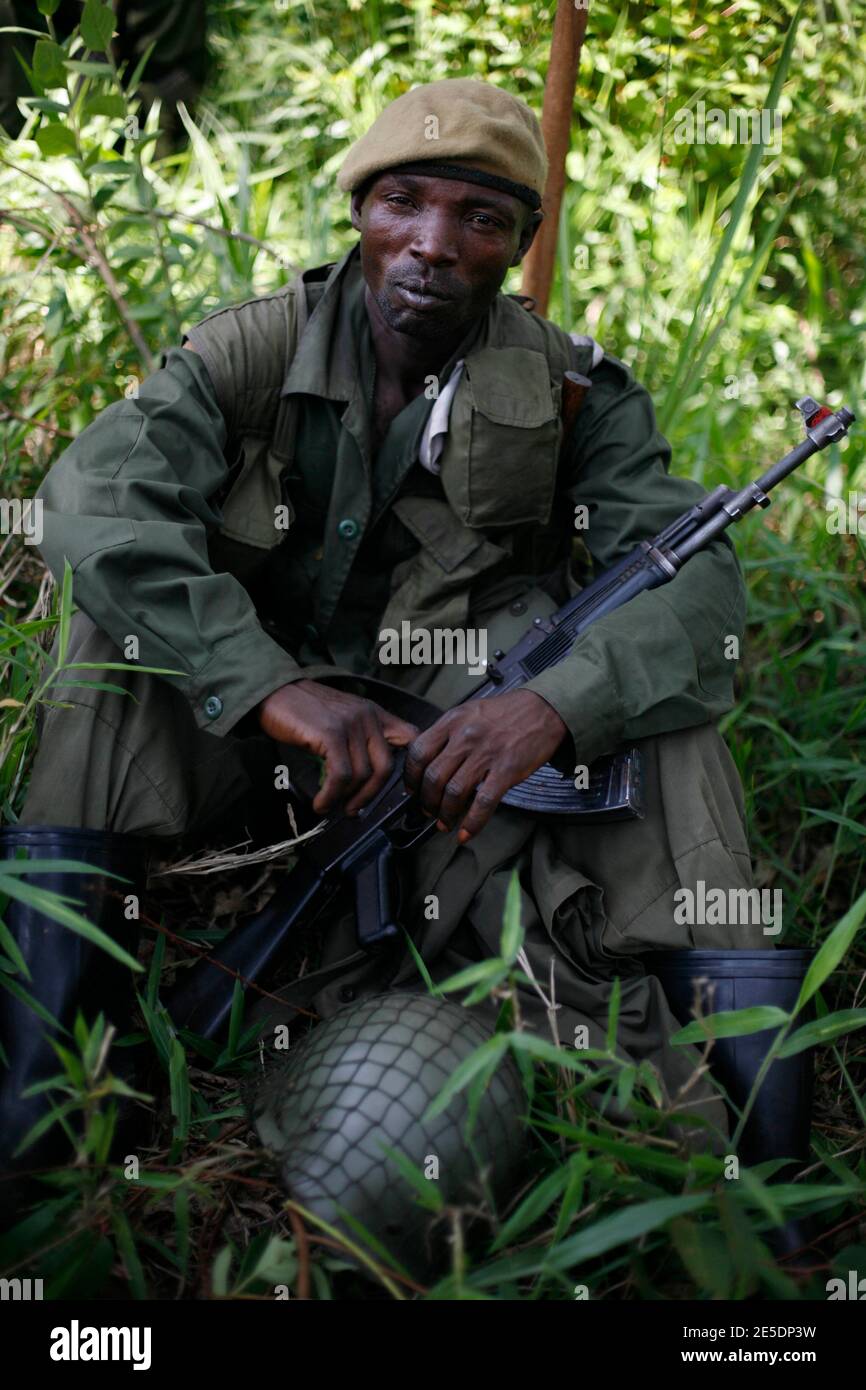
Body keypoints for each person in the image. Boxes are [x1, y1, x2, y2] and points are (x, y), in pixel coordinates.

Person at [2, 79, 790, 1186]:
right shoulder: (250, 351)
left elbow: (698, 593)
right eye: (402, 204)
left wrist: (552, 706)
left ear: (522, 240)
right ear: (359, 213)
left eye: (477, 217)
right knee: (106, 653)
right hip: (254, 732)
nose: (431, 245)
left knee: (675, 725)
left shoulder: (576, 393)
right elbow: (90, 500)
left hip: (457, 752)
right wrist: (265, 681)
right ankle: (35, 1113)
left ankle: (772, 1181)